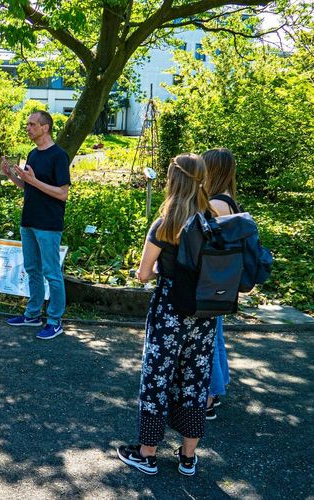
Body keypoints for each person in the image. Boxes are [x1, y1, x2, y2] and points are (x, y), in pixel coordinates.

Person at [116, 153, 217, 476]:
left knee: (156, 378)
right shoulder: (212, 218)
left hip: (169, 311)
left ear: (174, 179)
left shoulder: (165, 223)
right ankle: (188, 457)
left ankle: (147, 453)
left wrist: (148, 269)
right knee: (194, 381)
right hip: (204, 314)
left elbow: (144, 274)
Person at [1, 110, 71, 340]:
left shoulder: (59, 156)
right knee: (32, 270)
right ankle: (32, 314)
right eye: (28, 124)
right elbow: (28, 187)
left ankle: (54, 320)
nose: (28, 128)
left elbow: (62, 193)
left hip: (48, 223)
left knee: (52, 273)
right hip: (29, 221)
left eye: (32, 124)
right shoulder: (32, 154)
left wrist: (34, 181)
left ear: (45, 127)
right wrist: (12, 176)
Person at [202, 147, 238, 420]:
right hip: (224, 279)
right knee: (218, 336)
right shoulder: (229, 199)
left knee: (209, 340)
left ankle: (209, 398)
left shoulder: (215, 203)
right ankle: (220, 385)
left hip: (212, 280)